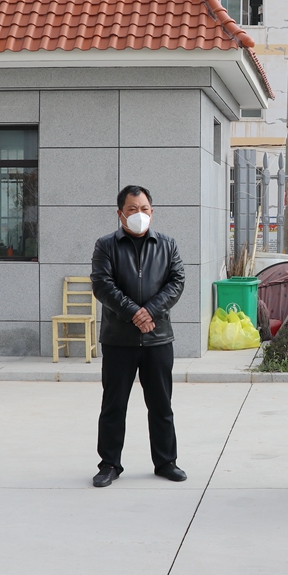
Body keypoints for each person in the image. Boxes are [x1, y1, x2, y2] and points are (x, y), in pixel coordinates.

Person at [90, 185, 186, 488]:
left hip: (158, 338)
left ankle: (166, 462)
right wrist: (134, 313)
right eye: (132, 209)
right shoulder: (105, 245)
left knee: (161, 405)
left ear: (152, 212)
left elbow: (176, 282)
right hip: (119, 339)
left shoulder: (167, 245)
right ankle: (109, 464)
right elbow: (102, 284)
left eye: (144, 209)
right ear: (120, 214)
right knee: (113, 405)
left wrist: (150, 312)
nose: (139, 215)